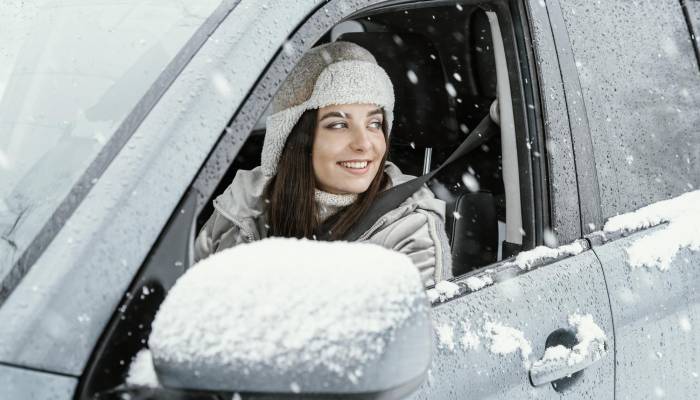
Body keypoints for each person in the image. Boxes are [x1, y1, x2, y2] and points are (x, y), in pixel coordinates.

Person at [194, 41, 452, 285]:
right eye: (339, 124)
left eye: (374, 124)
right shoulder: (245, 203)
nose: (364, 143)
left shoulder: (411, 230)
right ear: (296, 137)